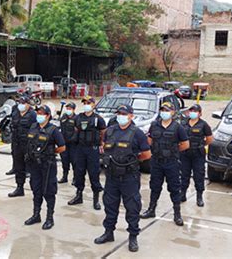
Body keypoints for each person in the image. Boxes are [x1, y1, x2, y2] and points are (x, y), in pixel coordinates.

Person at [94, 105, 151, 252]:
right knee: (110, 205)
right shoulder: (110, 131)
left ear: (131, 116)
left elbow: (146, 155)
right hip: (112, 176)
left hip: (129, 177)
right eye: (119, 113)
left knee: (132, 207)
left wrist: (131, 162)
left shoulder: (137, 133)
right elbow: (104, 147)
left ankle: (133, 236)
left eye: (124, 114)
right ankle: (108, 232)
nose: (121, 116)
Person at [140, 102, 189, 226]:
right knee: (155, 187)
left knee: (174, 188)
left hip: (171, 163)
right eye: (162, 110)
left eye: (167, 110)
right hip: (156, 162)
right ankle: (151, 209)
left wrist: (172, 152)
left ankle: (177, 214)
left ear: (172, 112)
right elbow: (149, 141)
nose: (164, 112)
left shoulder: (178, 127)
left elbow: (185, 144)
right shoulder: (154, 125)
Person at [24, 105, 66, 230]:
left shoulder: (53, 130)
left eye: (42, 113)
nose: (39, 115)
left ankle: (49, 218)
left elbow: (62, 147)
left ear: (48, 116)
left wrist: (51, 152)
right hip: (34, 165)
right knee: (36, 190)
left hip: (47, 165)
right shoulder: (33, 127)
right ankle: (36, 215)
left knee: (48, 191)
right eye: (38, 113)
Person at [68, 96, 106, 210]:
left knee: (94, 173)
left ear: (94, 104)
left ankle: (96, 200)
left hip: (92, 149)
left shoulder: (98, 119)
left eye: (88, 102)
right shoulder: (78, 117)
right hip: (80, 148)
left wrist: (101, 143)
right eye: (84, 102)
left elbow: (103, 131)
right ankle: (78, 196)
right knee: (79, 172)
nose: (86, 104)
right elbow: (76, 130)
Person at [180, 104, 213, 207]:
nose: (192, 113)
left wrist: (201, 145)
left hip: (198, 154)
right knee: (184, 175)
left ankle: (199, 197)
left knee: (199, 175)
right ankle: (182, 194)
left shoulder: (204, 125)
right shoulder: (183, 123)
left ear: (200, 113)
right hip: (185, 154)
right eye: (191, 111)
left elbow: (209, 139)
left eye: (195, 111)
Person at [8, 94, 37, 197]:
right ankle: (19, 188)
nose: (21, 105)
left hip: (28, 145)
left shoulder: (33, 115)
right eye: (20, 102)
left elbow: (36, 130)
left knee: (32, 168)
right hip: (17, 144)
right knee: (18, 166)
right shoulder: (15, 113)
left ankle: (36, 190)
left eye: (23, 103)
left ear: (28, 104)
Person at [58, 102, 78, 184]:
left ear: (73, 109)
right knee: (64, 160)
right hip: (64, 143)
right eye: (67, 109)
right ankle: (64, 176)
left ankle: (75, 178)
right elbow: (60, 128)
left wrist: (72, 139)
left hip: (73, 144)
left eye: (70, 109)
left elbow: (77, 131)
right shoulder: (63, 117)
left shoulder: (77, 118)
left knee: (74, 161)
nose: (68, 110)